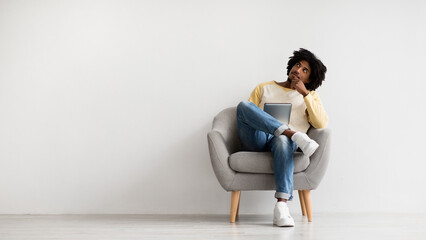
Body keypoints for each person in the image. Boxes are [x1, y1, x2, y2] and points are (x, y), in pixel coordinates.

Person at [236, 48, 328, 227]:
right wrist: (290, 132)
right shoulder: (264, 87)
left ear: (310, 79)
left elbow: (320, 123)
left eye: (305, 70)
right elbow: (248, 115)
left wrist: (305, 94)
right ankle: (292, 133)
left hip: (283, 145)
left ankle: (281, 208)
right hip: (258, 139)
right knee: (243, 106)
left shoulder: (310, 97)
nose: (298, 70)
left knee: (282, 140)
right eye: (298, 65)